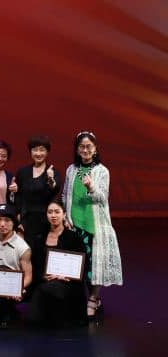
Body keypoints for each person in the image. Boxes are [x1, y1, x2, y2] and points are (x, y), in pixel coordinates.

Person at [63, 131, 122, 319]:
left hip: (94, 224)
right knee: (77, 265)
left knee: (94, 265)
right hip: (74, 223)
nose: (85, 150)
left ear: (95, 149)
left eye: (89, 146)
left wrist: (91, 187)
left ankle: (94, 298)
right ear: (77, 150)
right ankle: (79, 299)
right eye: (82, 146)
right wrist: (65, 215)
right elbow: (66, 194)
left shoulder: (102, 171)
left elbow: (102, 198)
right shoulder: (71, 170)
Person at [27, 201, 87, 327]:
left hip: (68, 282)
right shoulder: (40, 237)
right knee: (33, 319)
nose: (53, 215)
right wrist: (44, 276)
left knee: (48, 290)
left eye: (57, 212)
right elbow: (35, 264)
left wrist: (65, 276)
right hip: (45, 280)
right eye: (50, 212)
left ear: (64, 214)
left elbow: (83, 265)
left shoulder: (74, 238)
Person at [12, 135, 62, 284]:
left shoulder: (52, 172)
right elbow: (18, 197)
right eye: (35, 150)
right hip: (26, 222)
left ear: (47, 152)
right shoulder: (23, 172)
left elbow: (55, 191)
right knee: (25, 256)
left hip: (45, 222)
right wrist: (18, 219)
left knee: (42, 257)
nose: (38, 153)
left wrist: (51, 179)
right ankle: (26, 287)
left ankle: (42, 288)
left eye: (42, 150)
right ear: (30, 151)